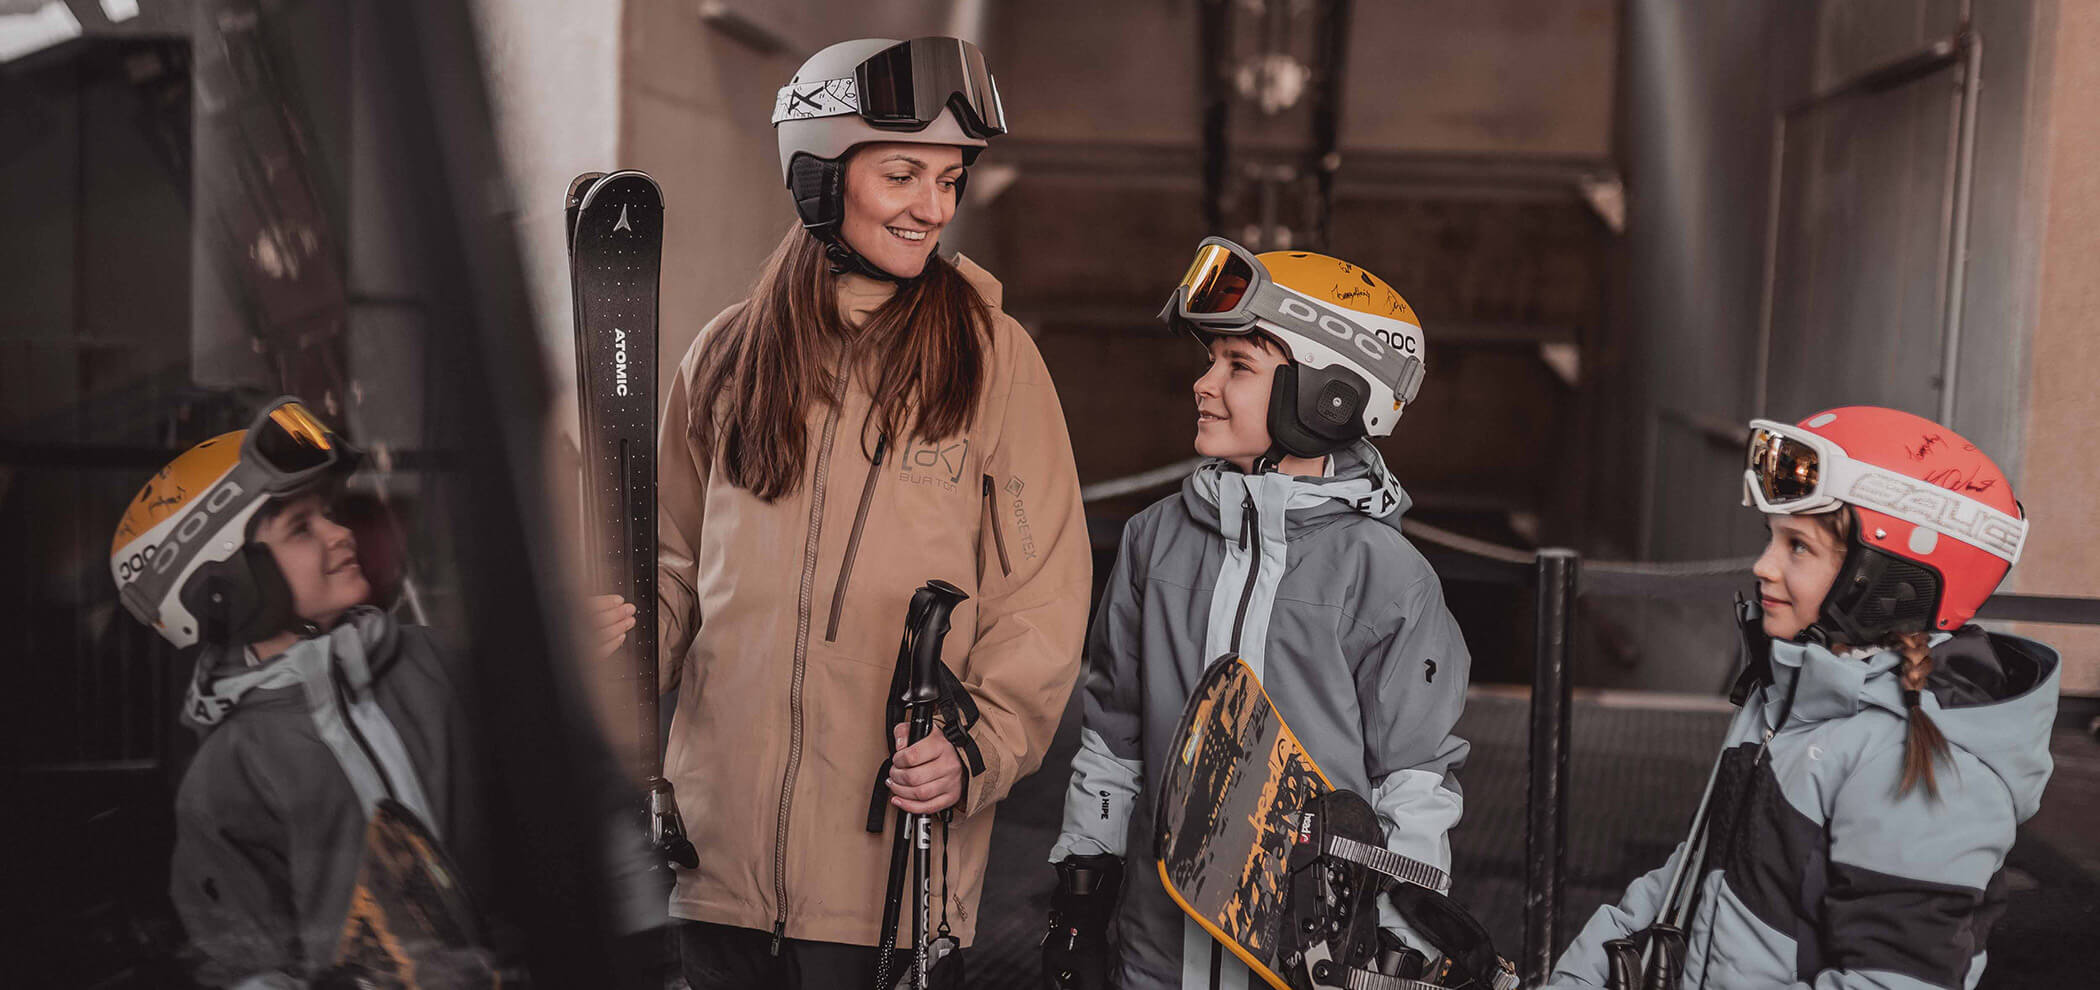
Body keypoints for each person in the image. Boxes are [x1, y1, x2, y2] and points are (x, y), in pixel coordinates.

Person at [643, 36, 1091, 989]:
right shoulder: (725, 355)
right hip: (714, 865)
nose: (933, 206)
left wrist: (979, 750)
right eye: (902, 174)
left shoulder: (994, 360)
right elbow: (677, 561)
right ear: (818, 177)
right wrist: (631, 625)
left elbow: (1040, 600)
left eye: (948, 178)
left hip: (889, 877)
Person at [1043, 237, 1479, 989]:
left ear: (1328, 395)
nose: (1203, 384)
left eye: (1237, 366)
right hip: (1155, 954)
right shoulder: (1155, 540)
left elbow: (1414, 781)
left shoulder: (1385, 575)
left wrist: (1399, 938)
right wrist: (1082, 891)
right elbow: (1113, 735)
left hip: (1300, 966)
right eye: (1212, 360)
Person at [110, 397, 621, 986]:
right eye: (302, 527)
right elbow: (242, 964)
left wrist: (558, 657)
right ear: (225, 588)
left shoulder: (430, 661)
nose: (338, 532)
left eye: (327, 513)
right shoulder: (228, 773)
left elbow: (536, 776)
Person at [1545, 406, 2059, 989]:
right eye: (1773, 539)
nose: (1763, 566)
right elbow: (1683, 885)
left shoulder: (1919, 767)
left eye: (1799, 548)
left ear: (1887, 580)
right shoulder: (1788, 699)